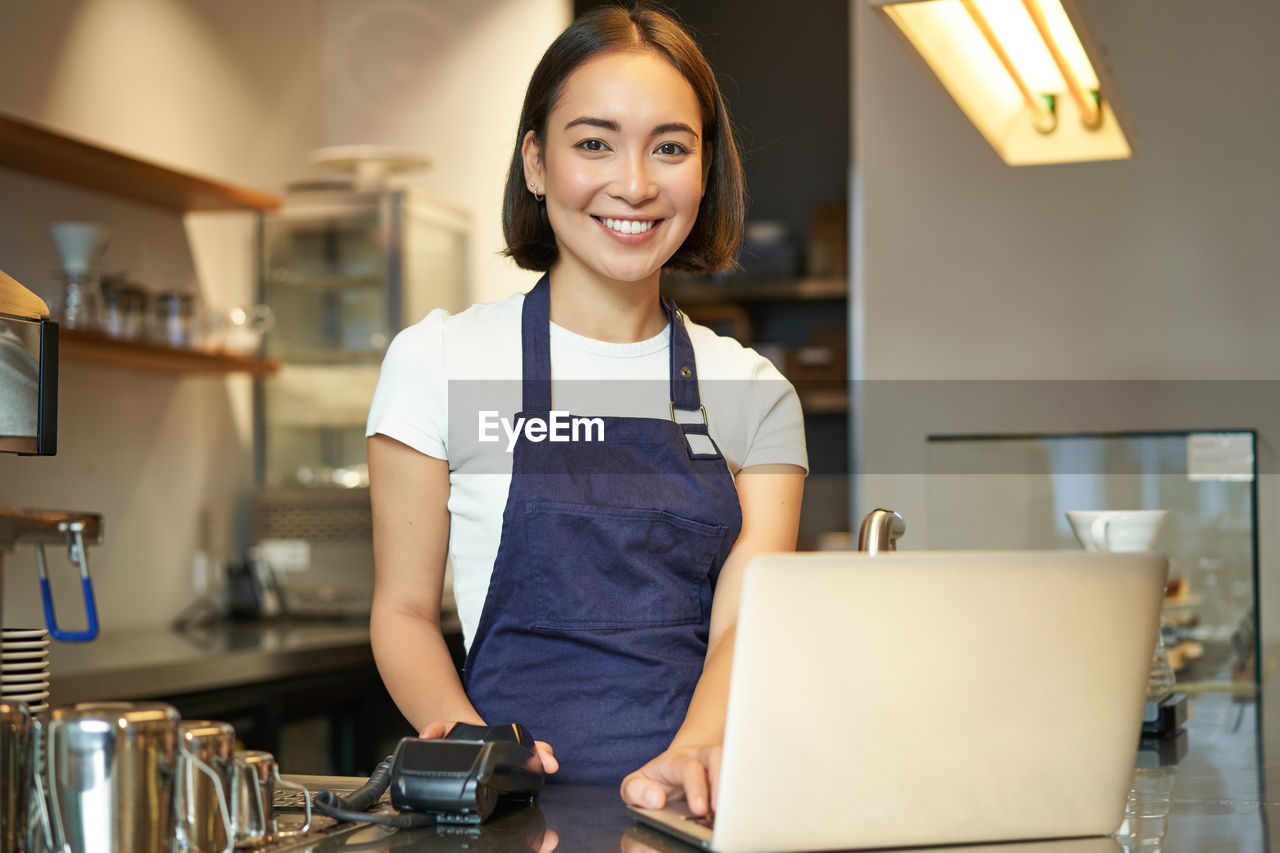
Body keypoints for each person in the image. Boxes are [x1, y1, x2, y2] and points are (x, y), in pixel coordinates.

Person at [365, 3, 807, 817]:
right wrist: (474, 748)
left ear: (706, 170)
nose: (634, 183)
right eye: (593, 143)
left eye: (670, 147)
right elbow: (400, 611)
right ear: (536, 161)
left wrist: (686, 759)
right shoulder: (436, 362)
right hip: (499, 811)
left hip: (694, 809)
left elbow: (747, 627)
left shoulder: (756, 393)